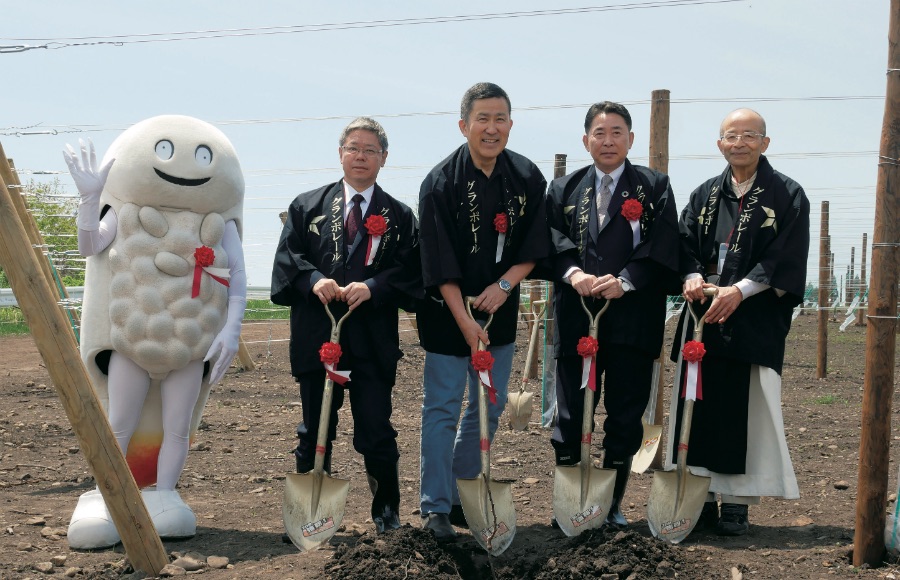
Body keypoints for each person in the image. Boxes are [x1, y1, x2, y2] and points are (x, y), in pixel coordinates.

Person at [271, 117, 421, 534]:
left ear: (384, 159)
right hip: (319, 338)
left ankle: (387, 514)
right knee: (315, 425)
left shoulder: (400, 215)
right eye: (354, 148)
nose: (361, 156)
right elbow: (288, 260)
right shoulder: (307, 207)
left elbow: (411, 272)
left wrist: (373, 287)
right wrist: (315, 280)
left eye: (370, 150)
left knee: (376, 427)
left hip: (372, 340)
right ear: (340, 154)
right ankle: (307, 513)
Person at [416, 82, 550, 539]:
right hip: (447, 312)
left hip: (500, 312)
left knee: (489, 406)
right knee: (442, 408)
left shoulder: (528, 176)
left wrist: (505, 284)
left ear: (511, 124)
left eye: (500, 119)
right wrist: (464, 319)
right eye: (482, 119)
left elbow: (536, 245)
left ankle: (463, 491)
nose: (491, 129)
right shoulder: (439, 182)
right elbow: (438, 262)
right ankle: (435, 505)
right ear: (464, 125)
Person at [672, 108, 810, 536]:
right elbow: (683, 245)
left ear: (765, 143)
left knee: (746, 409)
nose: (741, 142)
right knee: (698, 404)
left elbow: (785, 256)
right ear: (720, 144)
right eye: (732, 135)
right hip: (702, 316)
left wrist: (741, 290)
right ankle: (698, 497)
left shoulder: (787, 194)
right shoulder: (704, 194)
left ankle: (736, 502)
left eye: (750, 135)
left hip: (754, 317)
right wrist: (692, 276)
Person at [545, 101, 680, 528]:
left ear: (631, 139)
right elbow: (547, 242)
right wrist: (571, 273)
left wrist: (625, 280)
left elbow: (663, 245)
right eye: (599, 133)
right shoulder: (563, 190)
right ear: (586, 140)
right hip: (576, 315)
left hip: (632, 319)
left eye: (617, 132)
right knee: (569, 413)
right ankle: (570, 503)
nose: (608, 141)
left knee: (624, 414)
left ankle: (612, 505)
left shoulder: (654, 187)